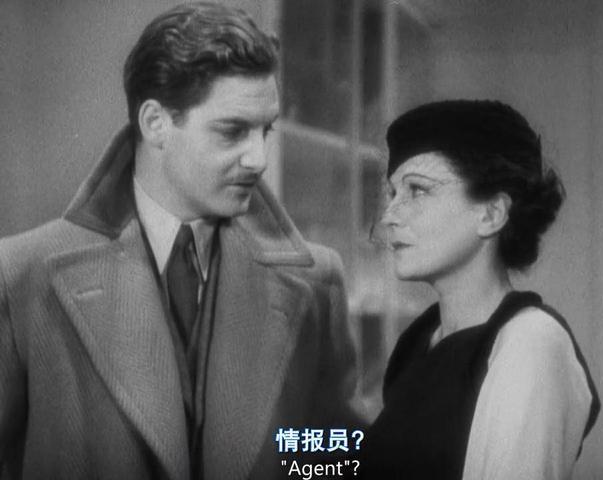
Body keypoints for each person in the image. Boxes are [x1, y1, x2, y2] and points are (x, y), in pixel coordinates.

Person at [0, 3, 364, 479]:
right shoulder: (22, 275)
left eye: (265, 131)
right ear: (155, 123)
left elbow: (334, 459)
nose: (258, 158)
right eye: (233, 131)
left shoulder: (315, 281)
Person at [359, 100, 600, 479]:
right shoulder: (419, 341)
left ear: (492, 213)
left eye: (417, 190)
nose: (390, 215)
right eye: (392, 194)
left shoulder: (531, 342)